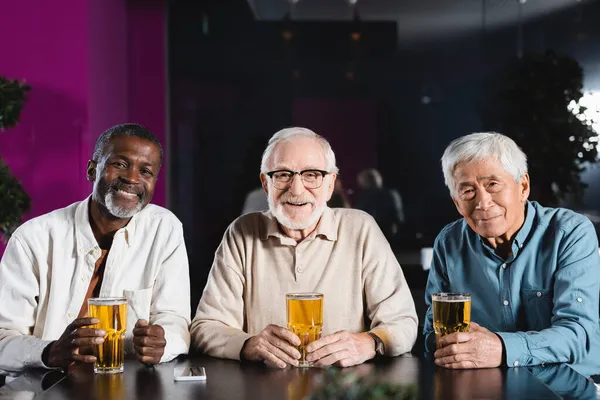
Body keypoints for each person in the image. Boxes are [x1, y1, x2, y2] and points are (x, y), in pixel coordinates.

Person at [191, 127, 417, 368]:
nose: (296, 189)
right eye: (282, 175)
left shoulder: (361, 228)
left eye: (311, 175)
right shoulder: (242, 233)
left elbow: (403, 322)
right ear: (266, 184)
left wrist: (369, 342)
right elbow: (206, 327)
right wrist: (249, 344)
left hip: (344, 390)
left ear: (331, 184)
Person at [0, 123, 191, 376]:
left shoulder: (165, 229)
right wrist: (49, 351)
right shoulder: (33, 238)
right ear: (92, 170)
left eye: (145, 171)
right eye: (120, 164)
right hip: (44, 387)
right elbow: (3, 338)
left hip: (128, 386)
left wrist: (163, 343)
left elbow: (175, 318)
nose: (132, 178)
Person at [424, 132, 600, 376]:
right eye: (468, 191)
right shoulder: (449, 242)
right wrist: (451, 344)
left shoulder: (569, 232)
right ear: (456, 202)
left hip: (570, 385)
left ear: (523, 187)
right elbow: (431, 333)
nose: (482, 202)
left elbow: (578, 334)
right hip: (487, 387)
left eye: (492, 185)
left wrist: (500, 347)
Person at [355, 168, 404, 242]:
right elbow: (398, 215)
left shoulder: (365, 197)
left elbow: (359, 214)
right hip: (388, 230)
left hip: (372, 231)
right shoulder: (392, 194)